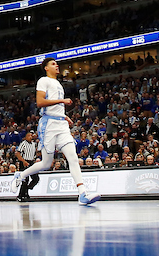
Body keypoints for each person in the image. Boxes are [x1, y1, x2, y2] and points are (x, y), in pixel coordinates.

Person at [12, 58, 100, 205]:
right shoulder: (43, 81)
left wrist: (65, 116)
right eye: (53, 64)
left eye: (56, 63)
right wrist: (62, 101)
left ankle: (83, 194)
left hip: (61, 124)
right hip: (49, 125)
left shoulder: (58, 83)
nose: (57, 65)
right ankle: (20, 175)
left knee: (73, 157)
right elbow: (40, 103)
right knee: (46, 164)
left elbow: (54, 107)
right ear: (46, 68)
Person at [14, 130, 40, 201]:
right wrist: (23, 161)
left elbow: (35, 153)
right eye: (29, 135)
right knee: (25, 180)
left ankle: (27, 190)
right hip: (24, 162)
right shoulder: (23, 143)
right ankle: (20, 196)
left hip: (31, 162)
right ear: (25, 137)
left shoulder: (34, 144)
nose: (30, 136)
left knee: (36, 178)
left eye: (31, 135)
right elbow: (18, 154)